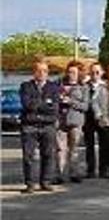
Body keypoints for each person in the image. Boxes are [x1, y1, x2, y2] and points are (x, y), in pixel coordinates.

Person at [19, 60, 61, 193]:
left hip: (48, 125)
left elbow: (54, 108)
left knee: (48, 154)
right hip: (29, 126)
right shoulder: (26, 86)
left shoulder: (54, 87)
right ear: (34, 72)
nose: (42, 73)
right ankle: (30, 184)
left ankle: (46, 182)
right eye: (39, 70)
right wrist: (45, 103)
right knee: (28, 156)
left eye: (45, 71)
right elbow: (27, 104)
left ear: (48, 73)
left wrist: (37, 104)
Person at [54, 61, 88, 184]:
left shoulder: (83, 87)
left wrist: (71, 102)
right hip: (60, 121)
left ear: (79, 73)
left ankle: (74, 173)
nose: (71, 74)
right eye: (69, 72)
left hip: (76, 121)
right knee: (60, 149)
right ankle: (60, 175)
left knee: (74, 149)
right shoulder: (59, 84)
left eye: (73, 72)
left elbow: (85, 106)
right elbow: (52, 101)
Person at [82, 62, 105, 178]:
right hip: (88, 119)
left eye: (97, 72)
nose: (95, 74)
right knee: (89, 146)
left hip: (101, 118)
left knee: (103, 145)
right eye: (92, 72)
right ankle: (90, 170)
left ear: (102, 73)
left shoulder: (105, 86)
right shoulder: (85, 86)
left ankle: (103, 169)